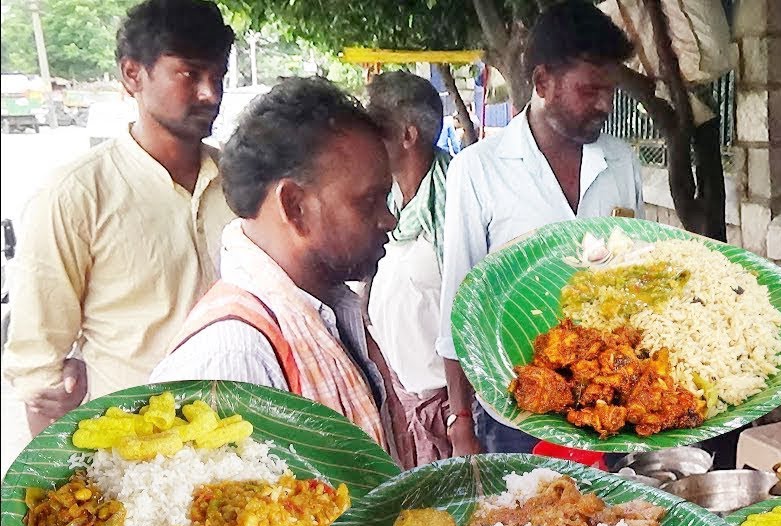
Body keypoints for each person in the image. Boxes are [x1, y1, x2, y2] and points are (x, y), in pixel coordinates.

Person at [3, 0, 235, 434]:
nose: (211, 93)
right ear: (133, 75)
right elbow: (41, 375)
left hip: (244, 433)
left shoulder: (240, 185)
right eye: (189, 74)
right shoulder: (76, 195)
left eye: (218, 76)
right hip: (133, 451)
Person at [151, 77, 407, 470]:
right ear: (295, 207)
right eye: (369, 201)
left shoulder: (330, 308)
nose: (389, 219)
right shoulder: (232, 359)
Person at [436, 0, 644, 456]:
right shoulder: (479, 170)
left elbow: (637, 281)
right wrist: (462, 421)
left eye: (610, 91)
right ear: (542, 82)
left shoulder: (620, 161)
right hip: (516, 412)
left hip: (606, 407)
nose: (605, 105)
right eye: (589, 91)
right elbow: (458, 300)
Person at [364, 70, 453, 466]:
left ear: (407, 135)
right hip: (401, 403)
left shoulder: (455, 201)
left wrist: (461, 416)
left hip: (447, 411)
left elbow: (473, 310)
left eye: (376, 130)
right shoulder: (388, 204)